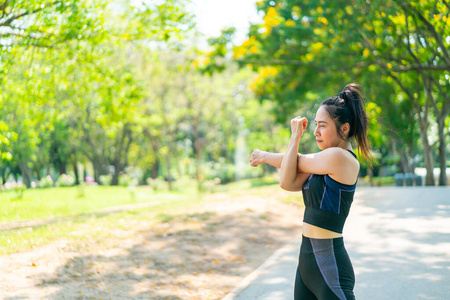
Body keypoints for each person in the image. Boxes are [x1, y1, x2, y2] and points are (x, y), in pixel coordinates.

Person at [249, 83, 372, 300]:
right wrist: (290, 141)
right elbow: (287, 182)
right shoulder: (321, 161)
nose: (315, 132)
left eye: (322, 125)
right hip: (306, 260)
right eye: (315, 125)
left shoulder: (340, 158)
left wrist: (277, 148)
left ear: (344, 128)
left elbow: (297, 160)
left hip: (329, 263)